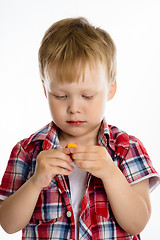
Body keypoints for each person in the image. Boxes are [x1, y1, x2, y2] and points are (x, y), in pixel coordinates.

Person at [0, 17, 159, 240]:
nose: (74, 108)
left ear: (111, 89)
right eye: (61, 96)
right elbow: (7, 224)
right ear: (46, 91)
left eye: (87, 96)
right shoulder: (27, 151)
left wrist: (110, 173)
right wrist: (36, 181)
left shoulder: (126, 148)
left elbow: (137, 223)